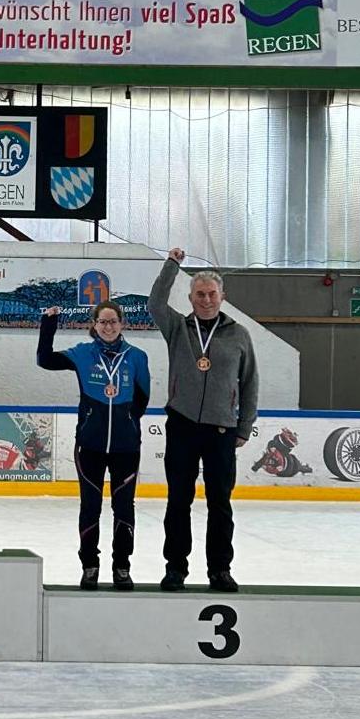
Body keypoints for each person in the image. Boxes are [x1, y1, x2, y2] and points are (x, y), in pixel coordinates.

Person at [149, 248, 259, 593]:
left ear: (222, 296)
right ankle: (175, 568)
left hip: (221, 430)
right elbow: (155, 302)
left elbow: (250, 382)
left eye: (212, 294)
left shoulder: (238, 334)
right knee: (178, 501)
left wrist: (244, 426)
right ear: (191, 298)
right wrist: (172, 265)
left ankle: (220, 570)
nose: (207, 300)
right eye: (200, 294)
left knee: (220, 504)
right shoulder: (177, 328)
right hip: (182, 425)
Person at [36, 301, 150, 590]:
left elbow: (142, 399)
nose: (108, 327)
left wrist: (125, 421)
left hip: (126, 448)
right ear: (94, 324)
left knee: (124, 508)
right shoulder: (82, 354)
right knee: (90, 507)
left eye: (113, 321)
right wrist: (48, 324)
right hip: (90, 446)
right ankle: (90, 565)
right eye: (103, 322)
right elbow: (45, 360)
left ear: (122, 324)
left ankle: (122, 566)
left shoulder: (137, 357)